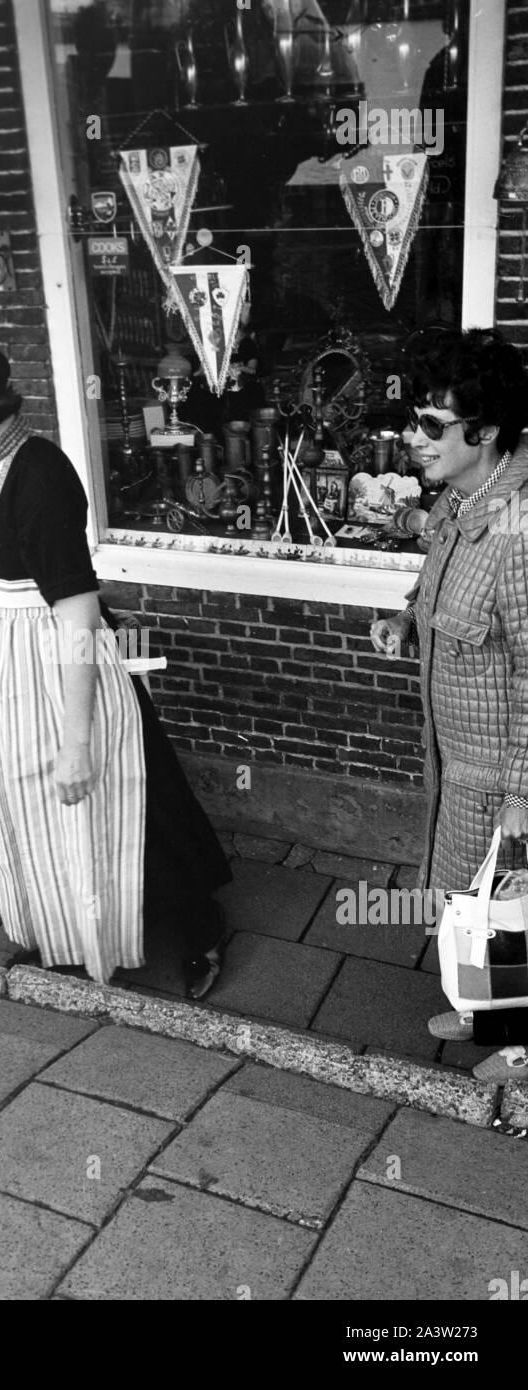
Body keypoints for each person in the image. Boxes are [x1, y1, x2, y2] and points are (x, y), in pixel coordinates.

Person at [0, 301, 232, 994]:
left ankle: (198, 922)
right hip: (2, 665)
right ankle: (64, 929)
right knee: (31, 801)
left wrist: (79, 739)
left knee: (123, 793)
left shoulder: (43, 475)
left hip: (59, 663)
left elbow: (78, 611)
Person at [370, 327, 528, 1082]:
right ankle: (480, 1014)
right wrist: (406, 618)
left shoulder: (519, 530)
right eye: (414, 420)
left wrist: (525, 792)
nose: (414, 438)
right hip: (454, 759)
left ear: (487, 430)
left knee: (510, 914)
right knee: (468, 899)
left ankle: (520, 1048)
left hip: (500, 772)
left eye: (433, 426)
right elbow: (436, 583)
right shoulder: (458, 504)